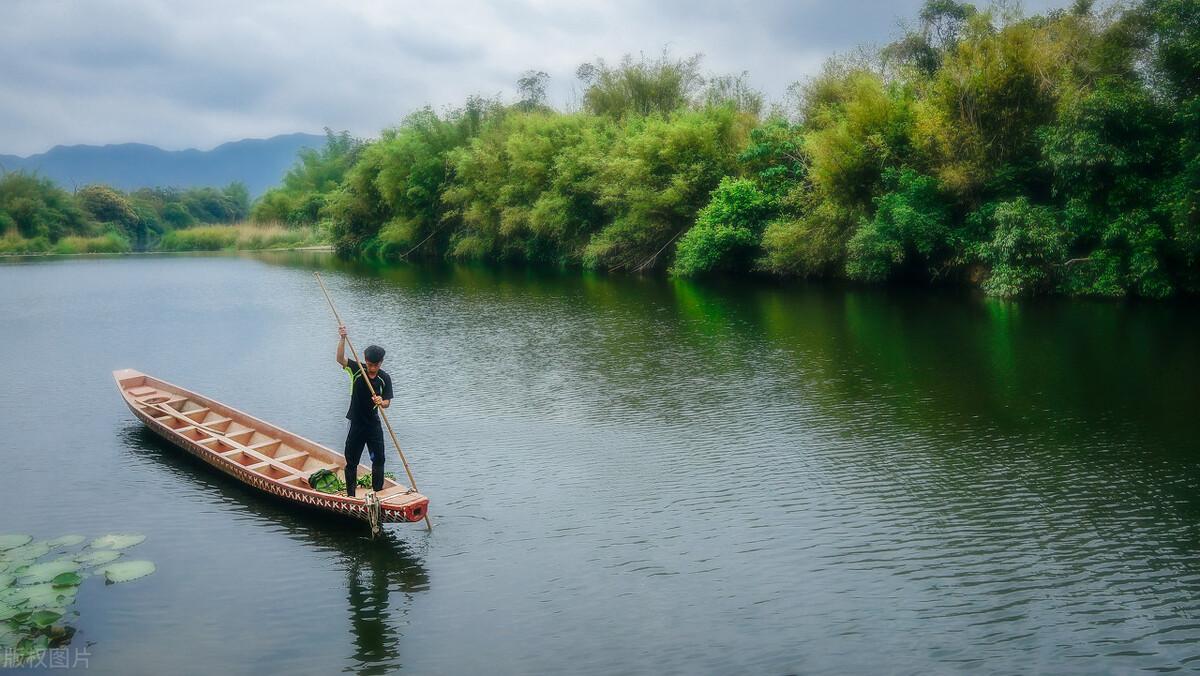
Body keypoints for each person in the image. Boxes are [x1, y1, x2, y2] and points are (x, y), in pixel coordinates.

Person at [336, 325, 393, 497]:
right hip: (357, 423)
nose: (372, 368)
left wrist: (380, 402)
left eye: (375, 365)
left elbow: (387, 402)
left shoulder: (384, 378)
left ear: (380, 363)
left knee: (379, 459)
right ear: (365, 361)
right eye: (369, 364)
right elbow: (339, 358)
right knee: (351, 461)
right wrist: (343, 338)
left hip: (373, 425)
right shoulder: (357, 370)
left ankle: (377, 492)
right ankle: (351, 495)